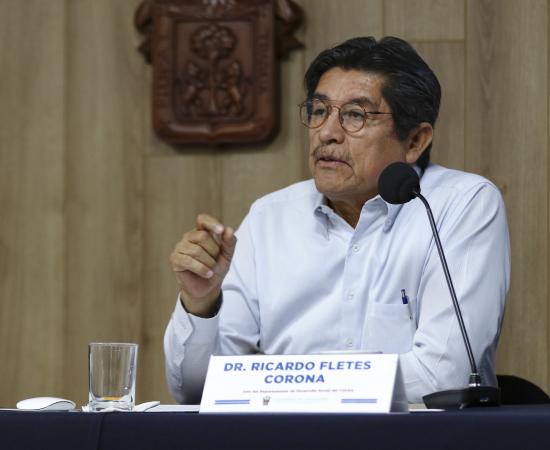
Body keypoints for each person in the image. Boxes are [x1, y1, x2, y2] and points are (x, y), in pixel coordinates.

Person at [164, 36, 510, 404]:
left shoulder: (461, 205)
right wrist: (200, 304)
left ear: (414, 141)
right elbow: (195, 390)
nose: (327, 133)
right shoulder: (270, 218)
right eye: (318, 111)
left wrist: (280, 384)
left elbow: (444, 374)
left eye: (355, 115)